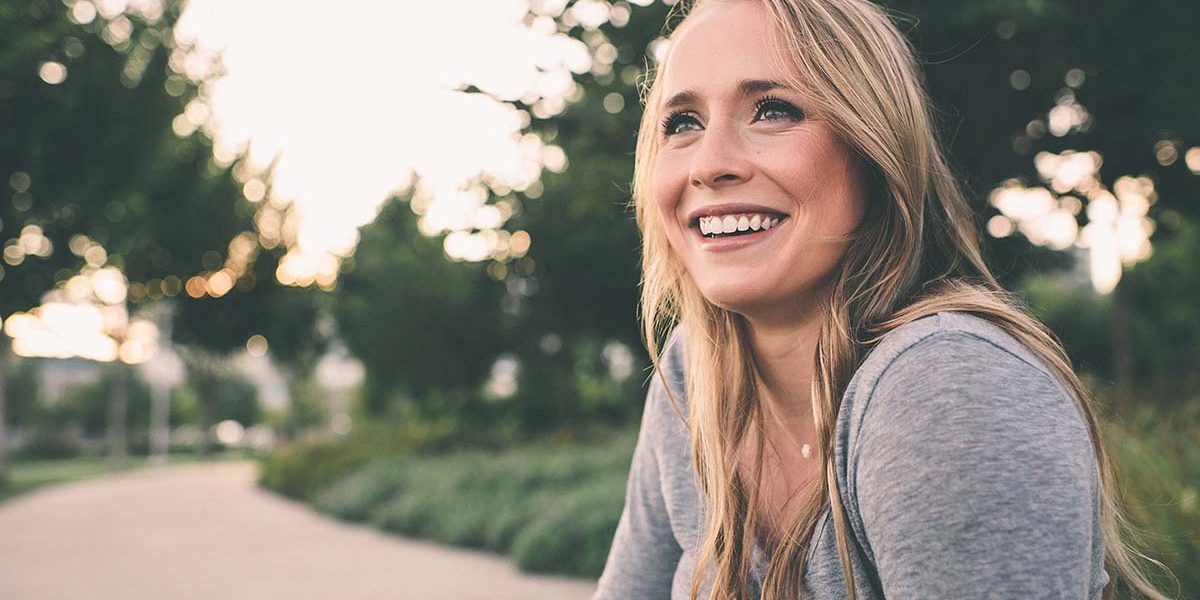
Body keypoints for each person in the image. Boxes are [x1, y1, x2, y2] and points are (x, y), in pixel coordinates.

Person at [592, 0, 1174, 599]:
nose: (709, 164)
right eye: (682, 123)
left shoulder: (950, 388)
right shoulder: (696, 369)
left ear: (873, 147)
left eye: (773, 110)